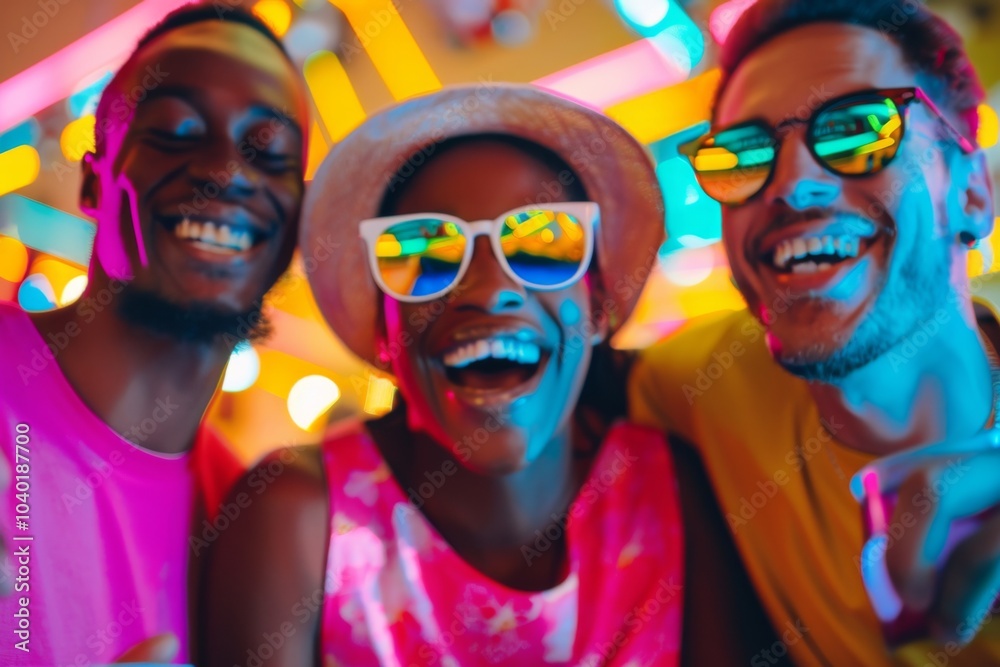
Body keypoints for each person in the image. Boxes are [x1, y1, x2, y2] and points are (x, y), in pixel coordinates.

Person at [202, 84, 683, 666]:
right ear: (382, 329)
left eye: (543, 243)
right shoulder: (299, 517)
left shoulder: (673, 492)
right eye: (424, 255)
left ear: (600, 302)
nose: (489, 290)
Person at [630, 0, 1000, 664]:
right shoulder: (697, 385)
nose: (791, 183)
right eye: (744, 154)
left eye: (858, 129)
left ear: (972, 192)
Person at [0, 4, 308, 664]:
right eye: (174, 130)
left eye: (269, 151)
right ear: (93, 178)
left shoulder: (254, 523)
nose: (225, 170)